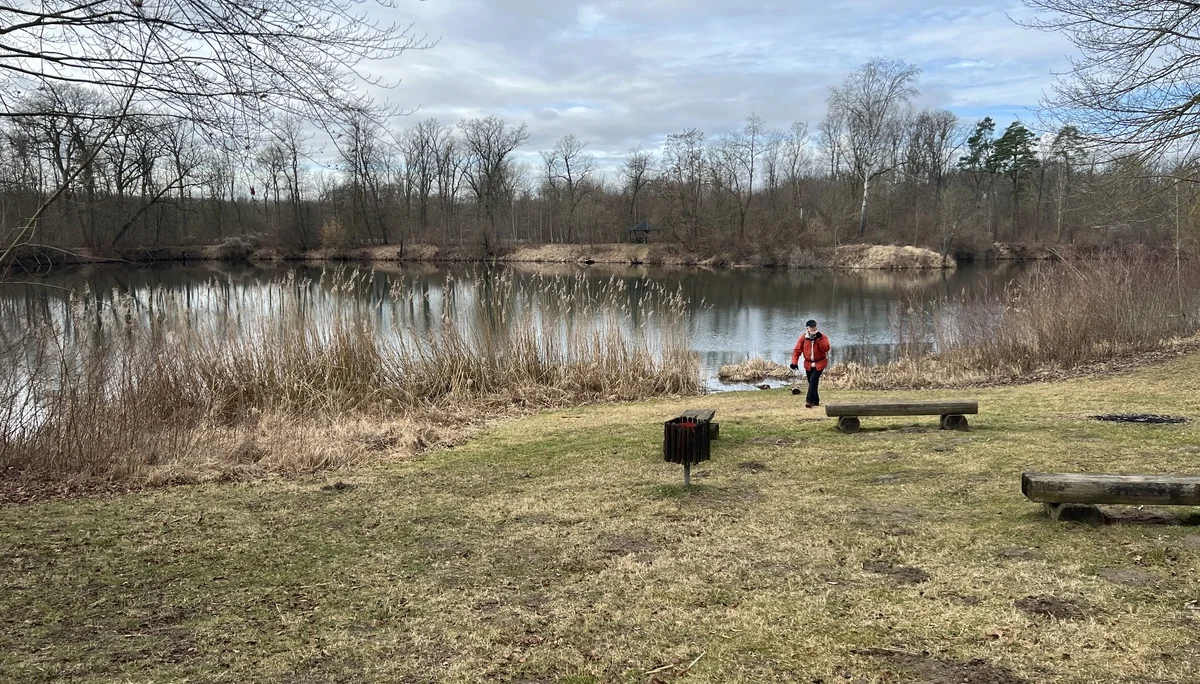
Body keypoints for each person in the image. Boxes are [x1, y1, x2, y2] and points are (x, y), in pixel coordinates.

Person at [790, 319, 830, 408]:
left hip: (820, 363)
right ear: (807, 328)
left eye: (814, 326)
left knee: (813, 381)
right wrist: (794, 362)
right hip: (808, 364)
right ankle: (816, 401)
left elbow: (826, 348)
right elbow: (797, 351)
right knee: (812, 383)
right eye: (811, 327)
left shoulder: (822, 336)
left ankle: (809, 401)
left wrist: (819, 338)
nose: (813, 328)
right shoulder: (803, 338)